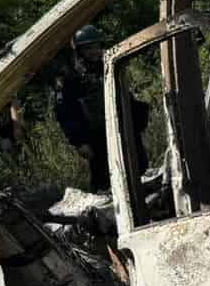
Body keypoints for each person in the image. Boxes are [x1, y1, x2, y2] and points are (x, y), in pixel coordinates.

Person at [51, 24, 148, 192]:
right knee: (104, 182)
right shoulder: (70, 77)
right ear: (79, 50)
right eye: (88, 48)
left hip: (124, 128)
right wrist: (80, 141)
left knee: (139, 171)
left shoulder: (111, 65)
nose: (94, 51)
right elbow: (65, 113)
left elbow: (126, 96)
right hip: (96, 137)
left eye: (96, 46)